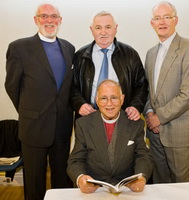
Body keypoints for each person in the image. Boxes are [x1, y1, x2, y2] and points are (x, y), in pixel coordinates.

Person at [5, 4, 75, 200]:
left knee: (62, 182)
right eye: (44, 16)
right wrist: (29, 111)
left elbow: (66, 89)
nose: (49, 20)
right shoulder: (19, 48)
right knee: (35, 183)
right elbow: (12, 86)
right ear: (36, 20)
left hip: (61, 127)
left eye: (54, 16)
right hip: (33, 127)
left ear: (60, 21)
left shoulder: (69, 48)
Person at [144, 1, 189, 183]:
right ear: (152, 23)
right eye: (157, 18)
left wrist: (158, 117)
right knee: (160, 184)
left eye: (167, 17)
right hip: (154, 133)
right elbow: (148, 91)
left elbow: (188, 94)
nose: (162, 22)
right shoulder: (151, 53)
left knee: (182, 185)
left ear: (175, 20)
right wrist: (149, 112)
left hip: (179, 131)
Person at [67, 80, 153, 193]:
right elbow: (76, 160)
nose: (109, 104)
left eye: (114, 98)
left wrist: (141, 177)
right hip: (95, 190)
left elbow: (143, 156)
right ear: (96, 100)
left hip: (127, 189)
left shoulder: (135, 124)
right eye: (103, 98)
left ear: (122, 99)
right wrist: (80, 178)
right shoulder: (83, 124)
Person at [72, 11, 148, 121]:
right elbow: (72, 87)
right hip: (88, 119)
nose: (103, 32)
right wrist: (79, 104)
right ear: (91, 30)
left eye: (108, 27)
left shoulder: (130, 54)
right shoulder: (80, 56)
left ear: (115, 28)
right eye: (98, 28)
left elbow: (141, 85)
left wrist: (136, 106)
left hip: (123, 119)